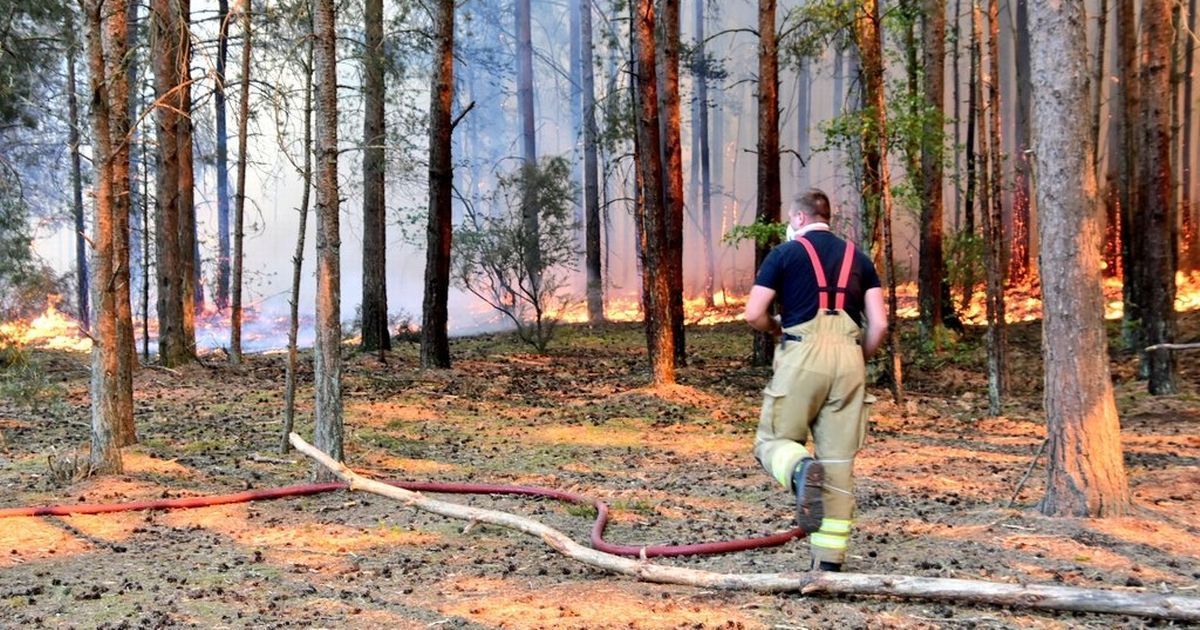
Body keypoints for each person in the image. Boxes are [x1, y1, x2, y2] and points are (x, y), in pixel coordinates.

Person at [743, 189, 887, 572]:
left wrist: (775, 329)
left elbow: (754, 312)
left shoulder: (784, 254)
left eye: (791, 220)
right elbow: (881, 324)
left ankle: (801, 471)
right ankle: (828, 565)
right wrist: (857, 358)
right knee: (838, 464)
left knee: (773, 440)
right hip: (850, 359)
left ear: (800, 219)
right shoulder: (860, 258)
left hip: (802, 353)